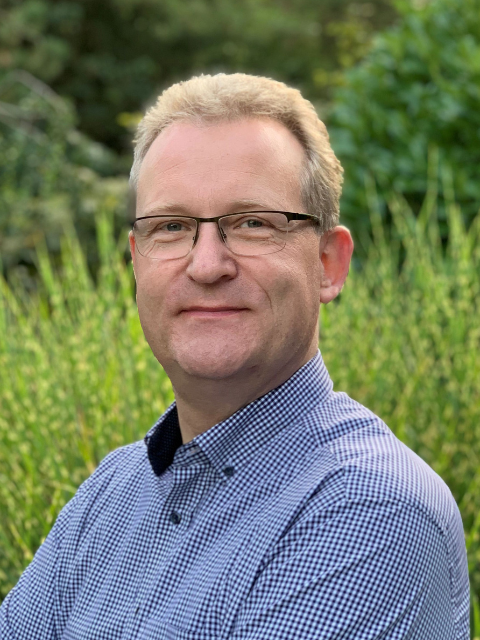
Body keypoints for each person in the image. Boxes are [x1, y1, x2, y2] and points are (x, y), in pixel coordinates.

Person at [0, 73, 469, 639]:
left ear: (328, 264)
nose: (206, 266)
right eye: (171, 227)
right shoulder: (112, 493)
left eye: (252, 224)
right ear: (137, 261)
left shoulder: (371, 509)